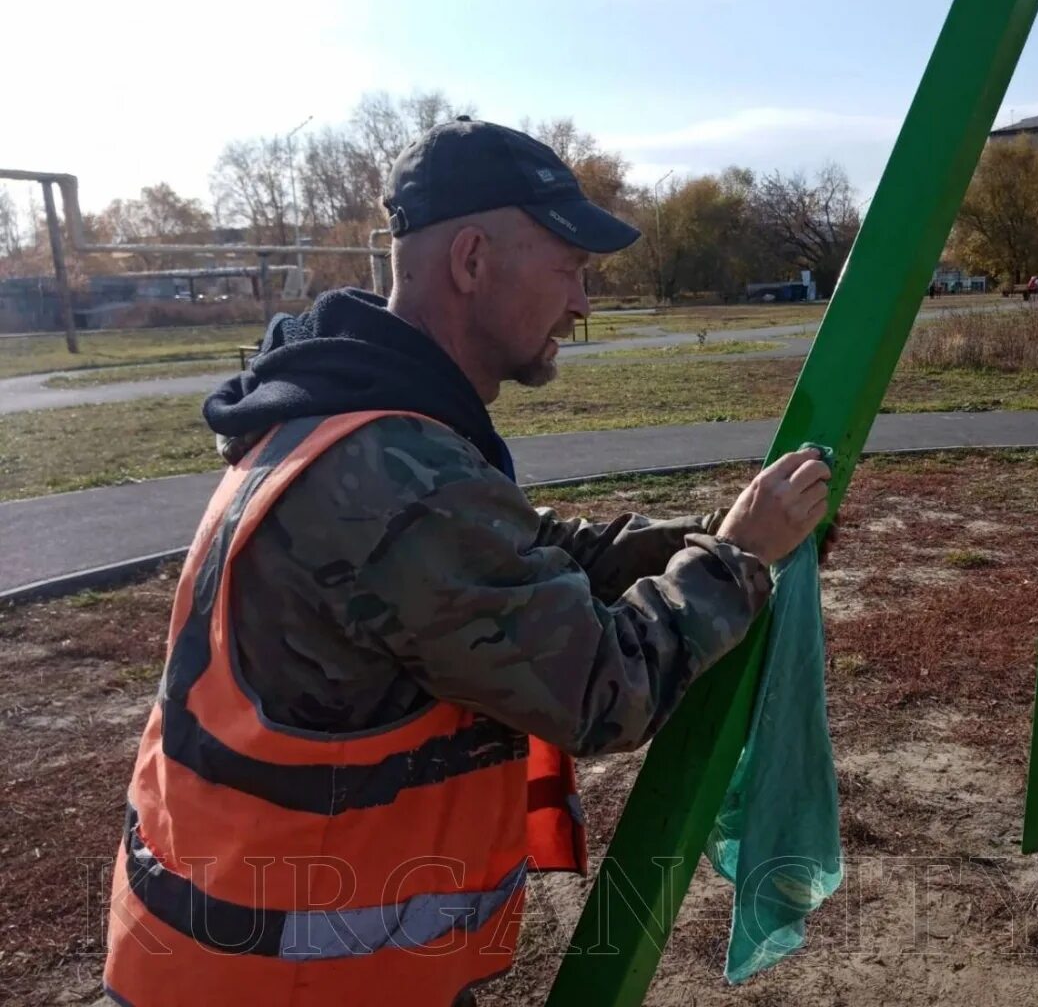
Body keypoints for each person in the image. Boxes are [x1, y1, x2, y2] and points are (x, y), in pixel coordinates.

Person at [102, 118, 830, 1007]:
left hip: (233, 952)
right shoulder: (395, 479)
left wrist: (712, 529)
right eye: (569, 268)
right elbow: (603, 690)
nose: (583, 304)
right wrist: (735, 560)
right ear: (473, 259)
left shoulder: (344, 411)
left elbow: (517, 553)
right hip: (292, 982)